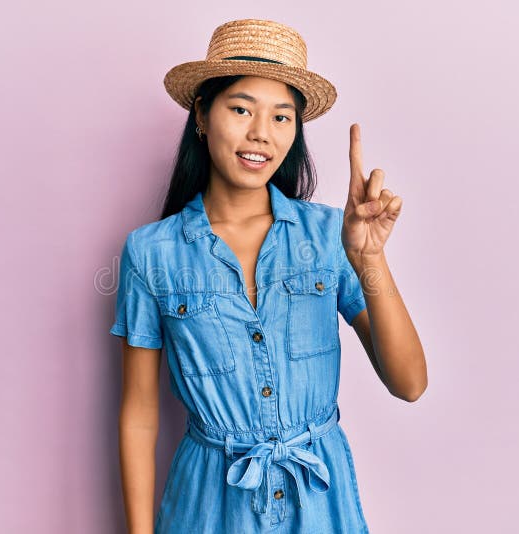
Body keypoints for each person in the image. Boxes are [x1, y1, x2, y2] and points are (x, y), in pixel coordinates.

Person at [110, 18, 427, 533]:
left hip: (320, 505)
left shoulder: (330, 236)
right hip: (208, 508)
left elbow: (410, 383)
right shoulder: (151, 253)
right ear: (201, 116)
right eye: (240, 109)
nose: (261, 133)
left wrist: (369, 260)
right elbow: (139, 415)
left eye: (282, 117)